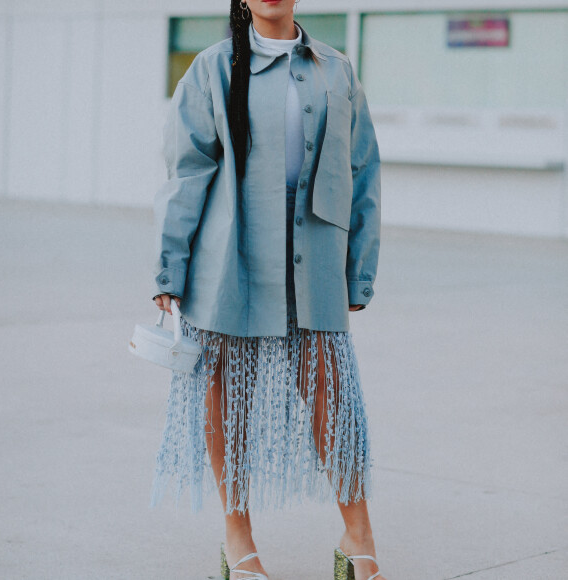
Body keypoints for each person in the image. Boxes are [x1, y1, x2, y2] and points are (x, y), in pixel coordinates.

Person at [150, 1, 384, 579]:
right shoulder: (210, 69)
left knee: (331, 395)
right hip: (227, 257)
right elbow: (187, 172)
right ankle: (238, 539)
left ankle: (357, 536)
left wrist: (361, 268)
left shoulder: (337, 69)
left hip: (316, 257)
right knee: (225, 398)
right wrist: (168, 268)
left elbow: (363, 171)